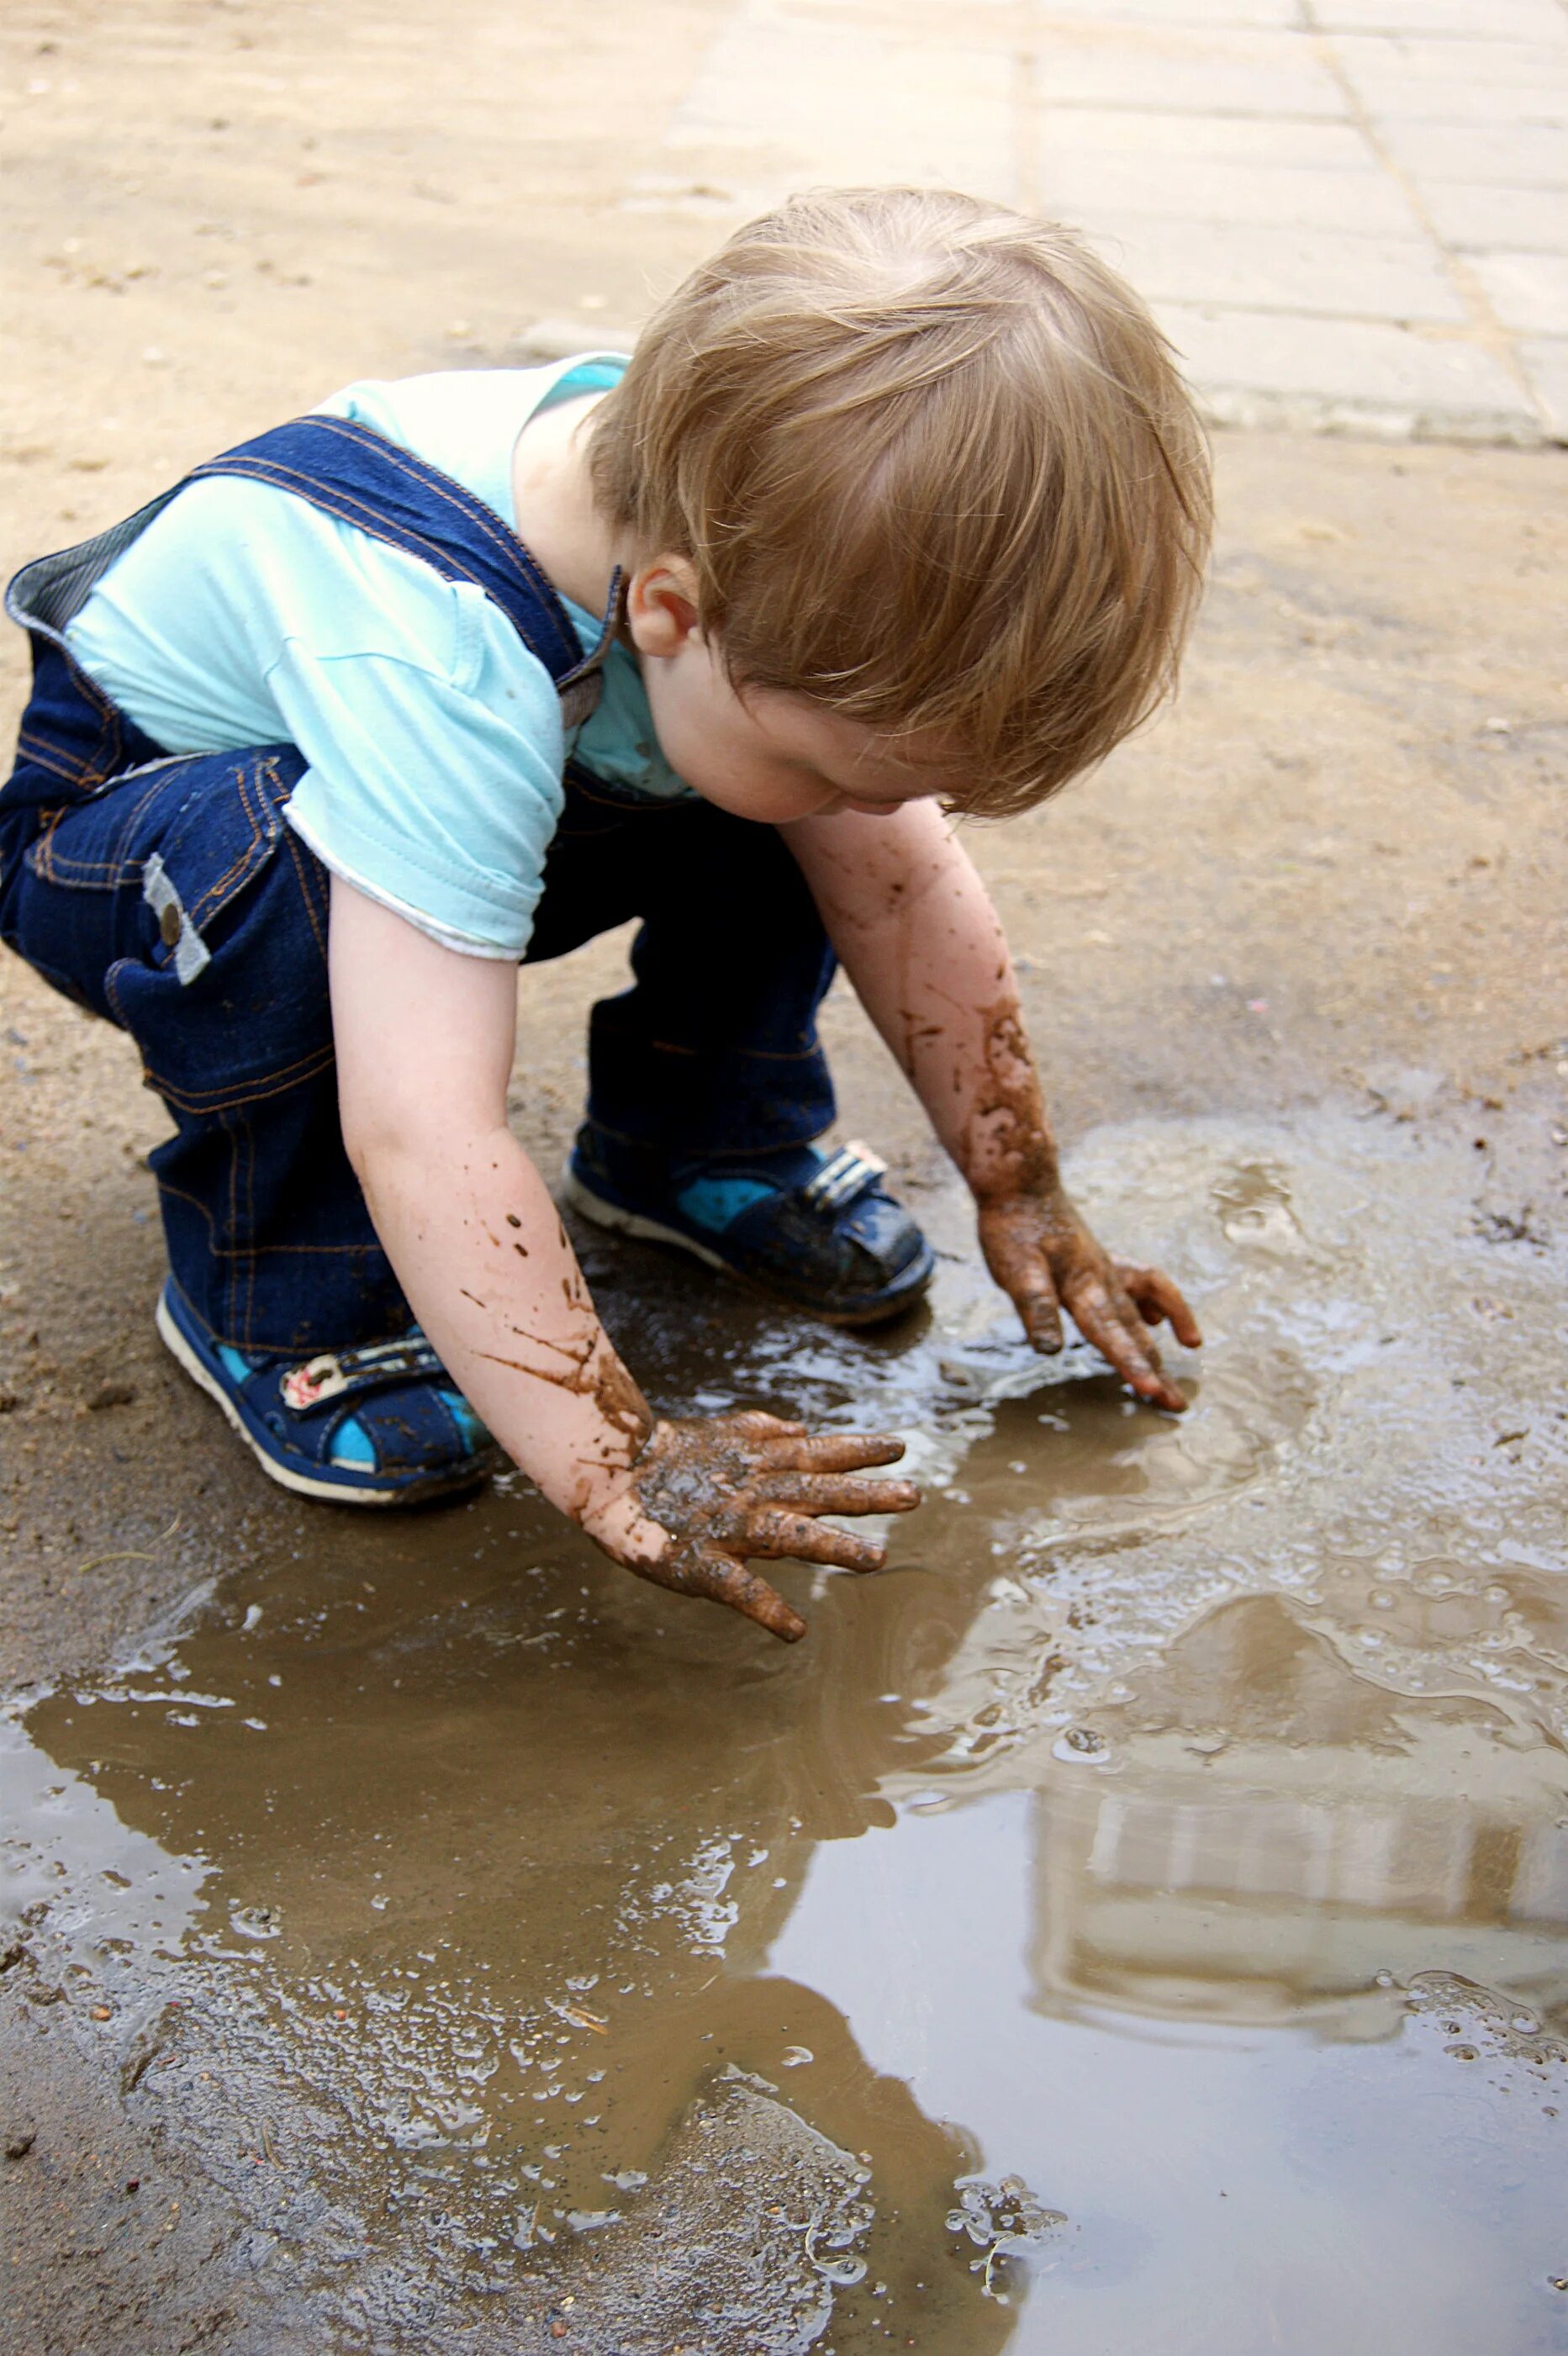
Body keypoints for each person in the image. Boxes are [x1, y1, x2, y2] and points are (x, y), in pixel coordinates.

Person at [0, 188, 1209, 1642]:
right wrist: (618, 1455)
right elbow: (426, 1124)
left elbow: (893, 872)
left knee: (786, 801)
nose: (871, 802)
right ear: (669, 612)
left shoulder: (752, 529)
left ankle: (698, 1139)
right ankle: (280, 1284)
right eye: (848, 760)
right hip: (145, 843)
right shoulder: (438, 656)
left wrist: (1024, 1184)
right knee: (329, 874)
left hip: (507, 759)